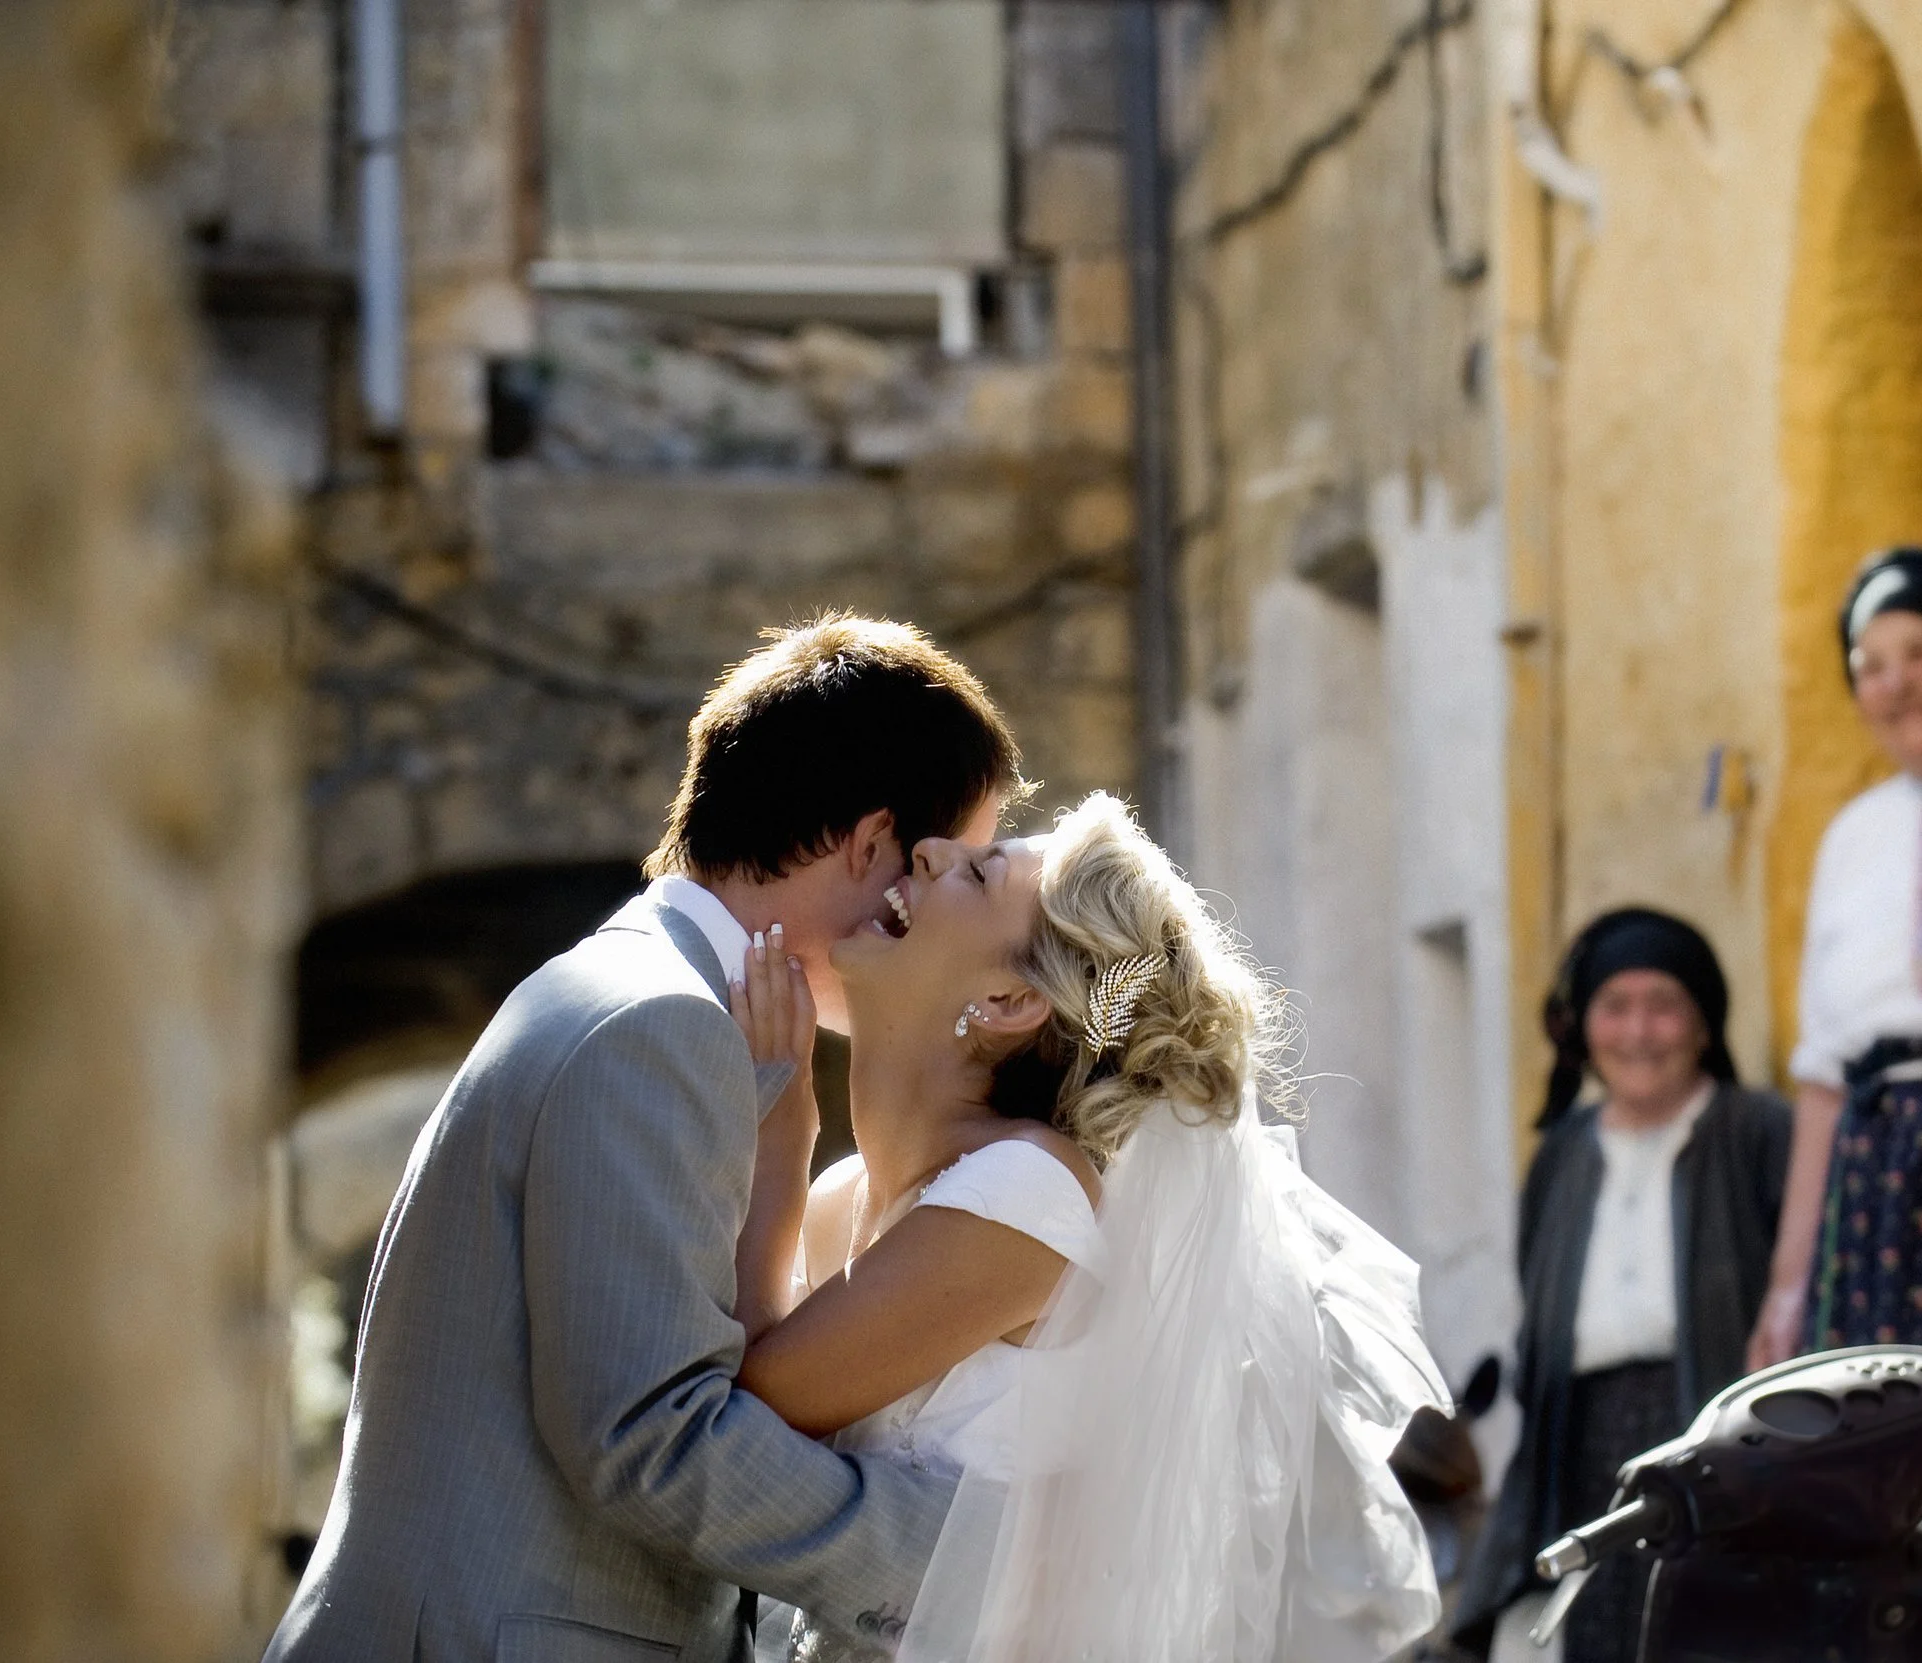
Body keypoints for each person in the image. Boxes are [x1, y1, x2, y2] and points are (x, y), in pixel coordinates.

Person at [265, 615, 1022, 1662]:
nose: (935, 900)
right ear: (867, 843)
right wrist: (988, 1561)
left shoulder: (649, 1001)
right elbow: (650, 1439)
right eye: (944, 861)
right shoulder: (657, 1023)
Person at [727, 792, 1451, 1663]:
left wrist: (779, 1120)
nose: (928, 853)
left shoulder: (1026, 1194)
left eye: (981, 871)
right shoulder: (845, 1197)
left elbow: (747, 1405)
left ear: (1005, 999)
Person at [1450, 909, 1791, 1663]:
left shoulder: (1760, 1132)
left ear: (1704, 1023)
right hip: (1584, 1445)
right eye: (1616, 1007)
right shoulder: (1562, 1155)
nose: (1639, 1031)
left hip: (1718, 1440)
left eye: (1664, 1005)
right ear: (1585, 1029)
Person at [1746, 546, 1922, 1528]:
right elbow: (1820, 1081)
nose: (1899, 683)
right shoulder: (1849, 837)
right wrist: (1786, 1288)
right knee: (1885, 1454)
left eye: (1920, 649)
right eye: (1872, 664)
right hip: (1876, 1181)